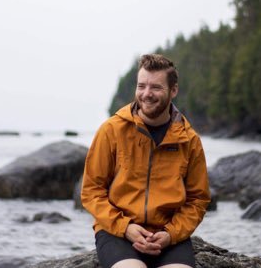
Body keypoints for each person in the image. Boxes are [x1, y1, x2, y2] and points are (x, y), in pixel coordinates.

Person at [81, 54, 211, 268]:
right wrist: (125, 227)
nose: (146, 94)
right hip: (117, 232)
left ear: (173, 90)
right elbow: (91, 191)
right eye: (141, 86)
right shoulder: (111, 130)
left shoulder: (189, 140)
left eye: (156, 87)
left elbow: (198, 199)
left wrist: (170, 234)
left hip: (168, 235)